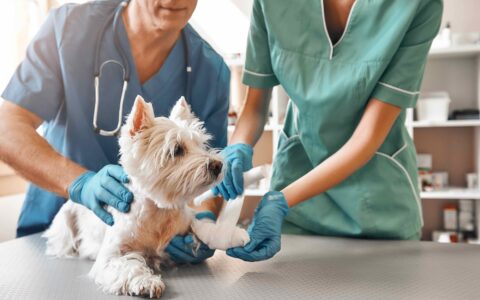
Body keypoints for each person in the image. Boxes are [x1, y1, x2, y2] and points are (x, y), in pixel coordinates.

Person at [0, 0, 229, 264]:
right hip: (60, 240)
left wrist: (201, 224)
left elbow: (212, 179)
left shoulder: (211, 70)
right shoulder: (68, 29)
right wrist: (79, 184)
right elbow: (7, 128)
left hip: (155, 250)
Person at [214, 0, 443, 261]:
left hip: (378, 207)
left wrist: (282, 200)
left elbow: (366, 138)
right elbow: (255, 108)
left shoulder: (417, 6)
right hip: (298, 201)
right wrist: (237, 147)